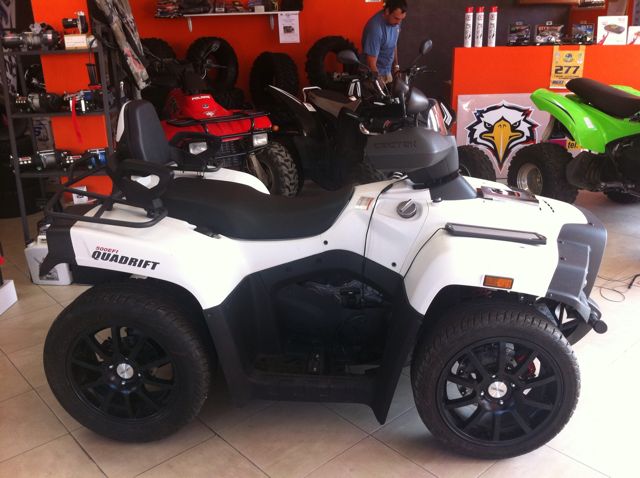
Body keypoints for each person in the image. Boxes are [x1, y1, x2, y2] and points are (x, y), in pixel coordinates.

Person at [361, 0, 408, 84]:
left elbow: (393, 43)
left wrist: (396, 66)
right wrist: (378, 83)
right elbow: (371, 63)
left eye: (401, 19)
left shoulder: (396, 22)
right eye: (396, 18)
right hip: (373, 74)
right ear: (387, 11)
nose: (399, 22)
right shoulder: (375, 29)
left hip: (387, 71)